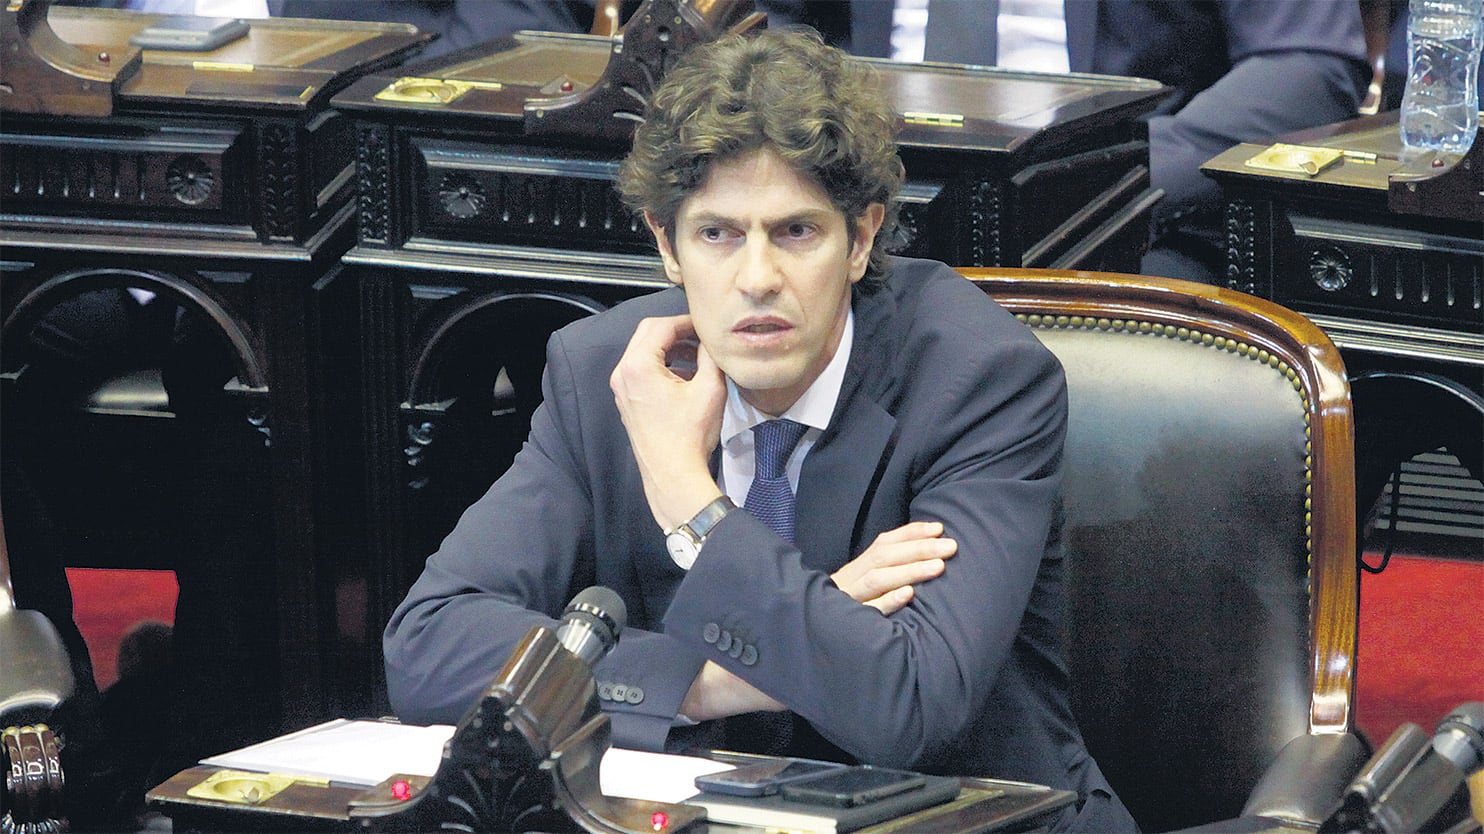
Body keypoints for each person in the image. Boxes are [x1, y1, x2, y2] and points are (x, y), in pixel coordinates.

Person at [384, 29, 1134, 832]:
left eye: (796, 232)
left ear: (864, 238)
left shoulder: (977, 380)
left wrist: (692, 504)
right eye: (717, 234)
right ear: (666, 245)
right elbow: (428, 647)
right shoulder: (607, 375)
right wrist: (708, 677)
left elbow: (909, 705)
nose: (757, 279)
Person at [757, 0, 1372, 285]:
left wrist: (1116, 184)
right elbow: (790, 24)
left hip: (1130, 218)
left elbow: (1307, 61)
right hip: (868, 192)